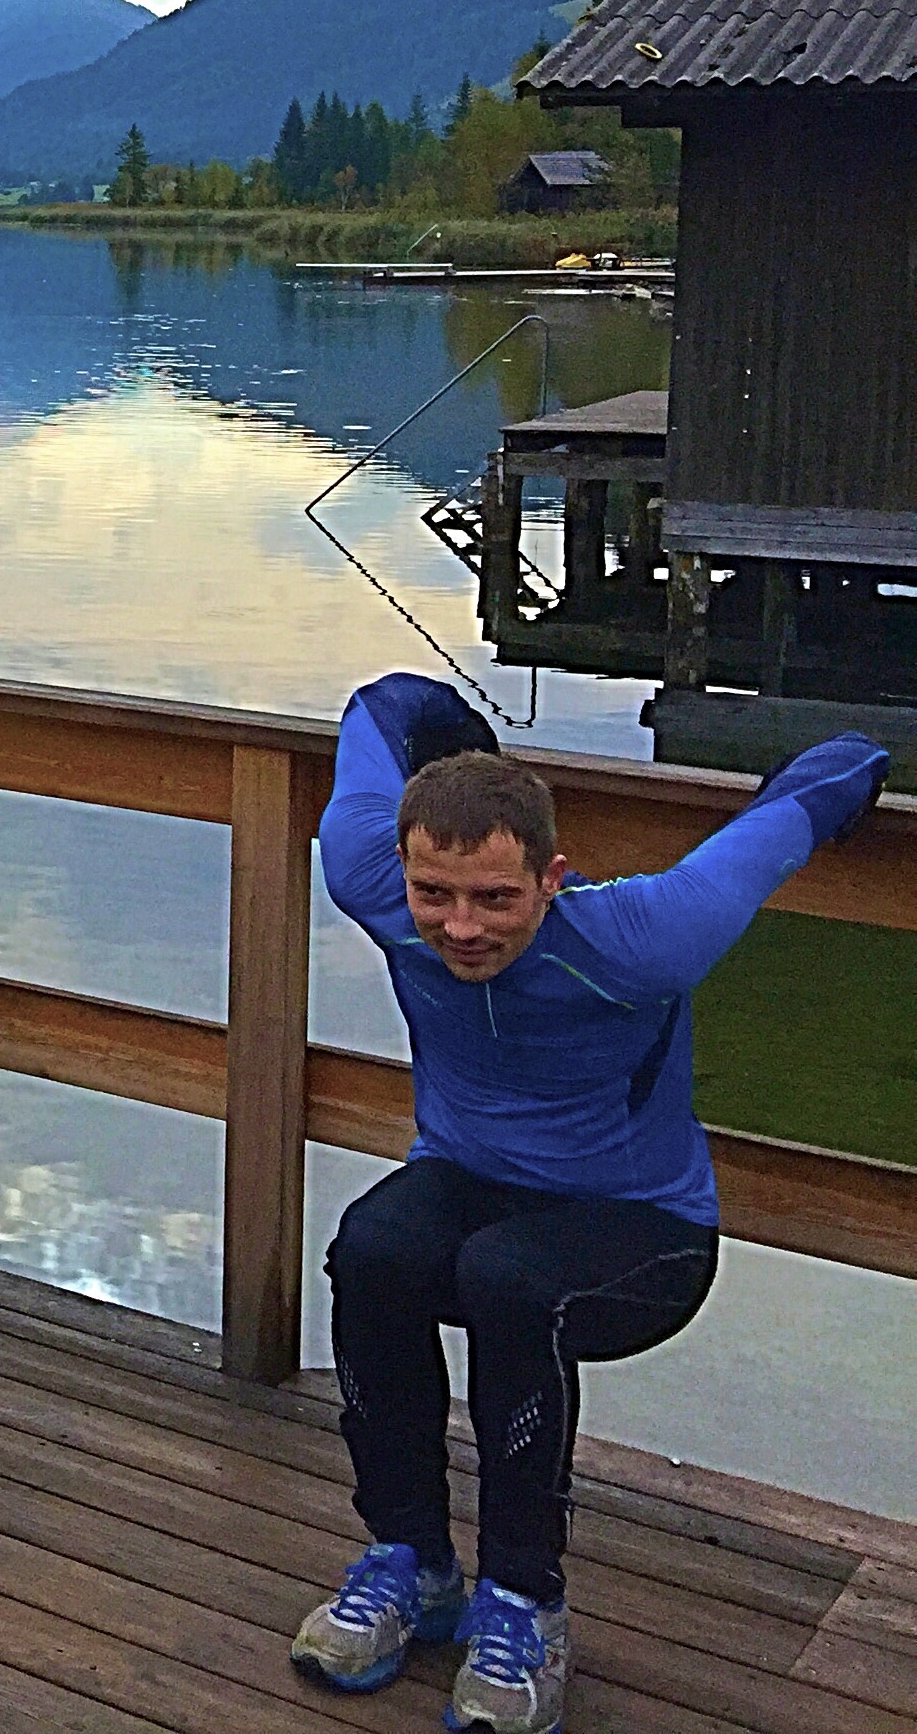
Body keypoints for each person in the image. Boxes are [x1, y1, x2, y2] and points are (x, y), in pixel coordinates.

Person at [288, 675, 886, 1734]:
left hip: (642, 1227)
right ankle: (412, 1561)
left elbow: (829, 775)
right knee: (371, 1248)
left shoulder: (649, 934)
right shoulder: (368, 877)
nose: (460, 928)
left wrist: (857, 779)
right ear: (404, 871)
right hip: (474, 1182)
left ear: (552, 879)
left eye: (496, 899)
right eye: (436, 894)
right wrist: (475, 752)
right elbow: (382, 706)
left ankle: (524, 1604)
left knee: (510, 1281)